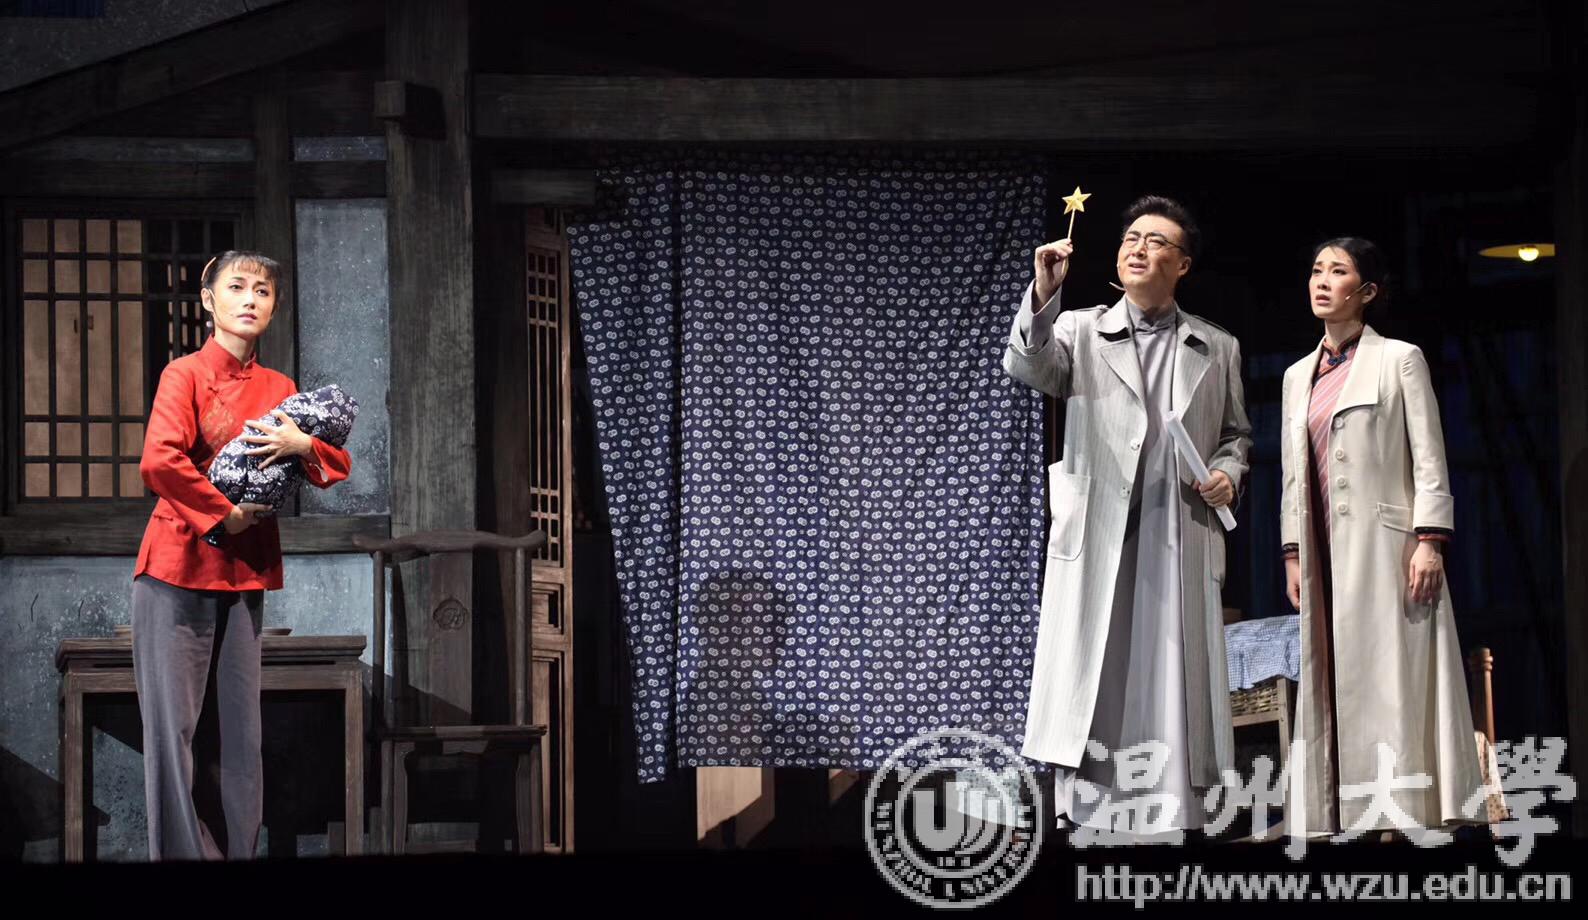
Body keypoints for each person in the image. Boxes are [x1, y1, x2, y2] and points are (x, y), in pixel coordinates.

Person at [1004, 195, 1251, 834]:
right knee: (1100, 666)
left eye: (1156, 241)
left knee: (1171, 668)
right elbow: (1029, 367)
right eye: (1131, 238)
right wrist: (1043, 294)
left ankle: (1173, 808)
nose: (1139, 249)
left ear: (1183, 264)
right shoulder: (1081, 330)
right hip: (1104, 527)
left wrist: (1228, 472)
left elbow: (1236, 435)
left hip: (1179, 528)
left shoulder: (1216, 346)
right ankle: (1094, 808)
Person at [132, 250, 352, 859]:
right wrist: (222, 513)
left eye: (263, 290)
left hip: (245, 572)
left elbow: (333, 464)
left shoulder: (280, 388)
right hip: (177, 567)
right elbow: (159, 461)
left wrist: (302, 443)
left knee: (240, 738)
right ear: (209, 300)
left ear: (274, 307)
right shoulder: (183, 374)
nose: (250, 299)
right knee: (174, 734)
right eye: (237, 287)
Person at [1279, 237, 1487, 837]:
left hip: (1390, 546)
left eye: (1338, 272)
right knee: (1336, 677)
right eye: (1316, 270)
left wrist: (1431, 539)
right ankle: (1344, 810)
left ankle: (1405, 809)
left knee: (1392, 677)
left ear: (1366, 291)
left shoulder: (1399, 359)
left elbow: (1430, 456)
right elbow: (1293, 473)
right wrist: (1293, 550)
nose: (1322, 281)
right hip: (1324, 549)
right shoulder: (1296, 376)